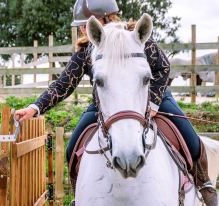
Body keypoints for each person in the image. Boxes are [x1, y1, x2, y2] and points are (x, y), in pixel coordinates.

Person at [14, 0, 217, 205]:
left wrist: (153, 104)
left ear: (105, 18)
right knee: (72, 148)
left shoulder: (139, 38)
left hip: (152, 96)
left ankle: (204, 183)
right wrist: (35, 107)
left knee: (189, 137)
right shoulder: (87, 51)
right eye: (82, 25)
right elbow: (63, 83)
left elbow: (163, 68)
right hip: (106, 103)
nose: (83, 29)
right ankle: (80, 194)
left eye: (86, 23)